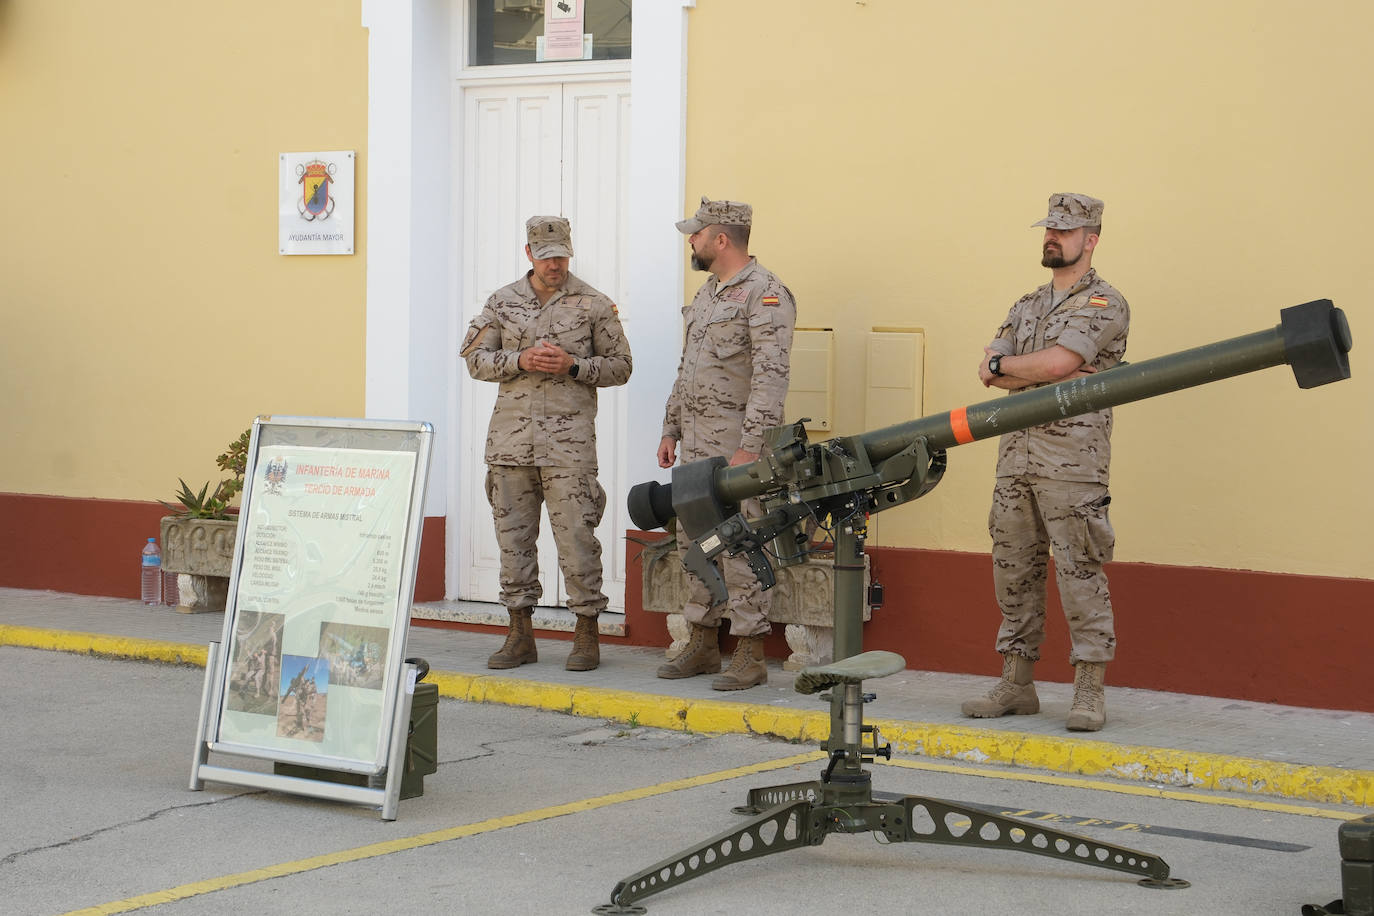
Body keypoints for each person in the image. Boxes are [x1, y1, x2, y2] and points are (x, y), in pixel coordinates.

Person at [962, 193, 1130, 732]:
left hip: (1072, 459)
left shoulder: (1105, 302)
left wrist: (1017, 367)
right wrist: (1024, 369)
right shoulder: (1027, 304)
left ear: (1092, 239)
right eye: (1049, 229)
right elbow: (988, 371)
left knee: (1079, 569)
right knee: (1013, 568)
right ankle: (1016, 682)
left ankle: (1088, 688)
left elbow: (1059, 361)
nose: (1052, 237)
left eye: (1065, 230)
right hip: (1016, 455)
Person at [462, 215, 633, 672]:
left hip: (569, 449)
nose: (554, 264)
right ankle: (520, 635)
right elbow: (475, 360)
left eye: (561, 256)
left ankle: (586, 635)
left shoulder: (594, 305)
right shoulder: (501, 302)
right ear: (529, 254)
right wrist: (518, 358)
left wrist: (573, 366)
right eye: (546, 257)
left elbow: (621, 366)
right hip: (510, 446)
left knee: (577, 539)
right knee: (513, 541)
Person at [655, 197, 796, 691]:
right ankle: (702, 642)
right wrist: (671, 427)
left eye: (696, 233)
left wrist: (752, 447)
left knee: (740, 542)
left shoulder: (766, 294)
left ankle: (750, 650)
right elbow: (686, 367)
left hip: (736, 447)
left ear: (721, 239)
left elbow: (771, 376)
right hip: (695, 444)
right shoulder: (708, 295)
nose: (689, 241)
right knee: (694, 540)